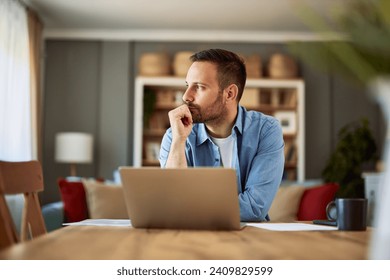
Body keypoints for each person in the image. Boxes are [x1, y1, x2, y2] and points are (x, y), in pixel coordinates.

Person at [159, 49, 284, 222]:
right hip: (190, 239)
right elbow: (170, 203)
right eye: (188, 86)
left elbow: (255, 207)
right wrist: (178, 142)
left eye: (199, 87)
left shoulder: (266, 131)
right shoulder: (175, 135)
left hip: (248, 239)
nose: (186, 96)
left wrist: (189, 208)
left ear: (229, 93)